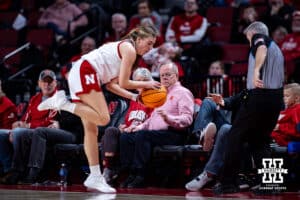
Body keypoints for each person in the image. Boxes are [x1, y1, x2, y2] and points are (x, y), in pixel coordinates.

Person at [37, 25, 160, 193]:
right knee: (103, 118)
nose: (150, 48)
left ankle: (94, 176)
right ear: (139, 40)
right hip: (86, 71)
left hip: (82, 71)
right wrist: (148, 83)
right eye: (149, 43)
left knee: (91, 130)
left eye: (153, 45)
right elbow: (125, 83)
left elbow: (111, 85)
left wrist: (134, 97)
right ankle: (63, 103)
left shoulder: (130, 54)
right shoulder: (129, 49)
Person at [213, 21, 284, 195]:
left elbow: (261, 49)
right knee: (260, 141)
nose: (248, 43)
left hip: (259, 97)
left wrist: (256, 70)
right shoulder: (277, 49)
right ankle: (272, 183)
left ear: (252, 33)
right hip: (275, 98)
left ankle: (228, 183)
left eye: (247, 38)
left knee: (234, 137)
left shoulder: (260, 38)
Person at [119, 62, 194, 188]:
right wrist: (136, 127)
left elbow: (187, 119)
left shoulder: (183, 93)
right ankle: (129, 172)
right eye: (162, 75)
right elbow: (151, 120)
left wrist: (168, 118)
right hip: (155, 133)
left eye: (168, 75)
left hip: (174, 133)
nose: (164, 78)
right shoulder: (160, 93)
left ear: (176, 76)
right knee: (126, 137)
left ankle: (141, 174)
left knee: (143, 136)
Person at [0, 69, 58, 183]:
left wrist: (27, 126)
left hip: (42, 131)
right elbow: (26, 117)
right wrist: (19, 124)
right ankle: (8, 170)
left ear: (55, 83)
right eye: (44, 81)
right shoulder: (35, 98)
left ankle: (17, 171)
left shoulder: (58, 98)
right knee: (2, 134)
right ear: (39, 83)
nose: (47, 84)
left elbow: (50, 121)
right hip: (28, 129)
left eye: (50, 82)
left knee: (18, 133)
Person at [101, 68, 153, 184]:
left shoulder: (155, 97)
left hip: (141, 131)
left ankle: (118, 171)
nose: (141, 84)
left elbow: (153, 120)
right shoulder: (133, 99)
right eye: (138, 81)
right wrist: (122, 126)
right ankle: (108, 169)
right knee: (111, 131)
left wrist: (137, 126)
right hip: (130, 130)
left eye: (144, 80)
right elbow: (128, 119)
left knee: (125, 137)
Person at [11, 110, 83, 184]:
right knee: (23, 133)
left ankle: (34, 173)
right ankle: (17, 171)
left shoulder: (80, 101)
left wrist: (60, 123)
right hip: (57, 130)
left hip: (72, 133)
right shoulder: (59, 100)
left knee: (40, 131)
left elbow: (80, 117)